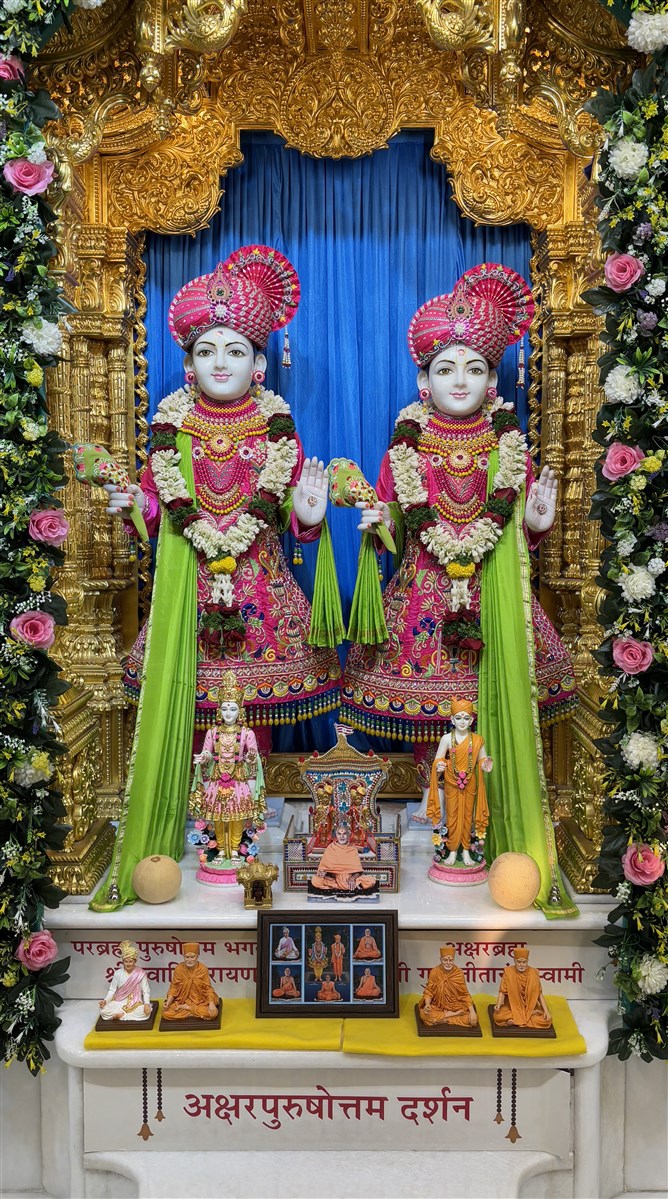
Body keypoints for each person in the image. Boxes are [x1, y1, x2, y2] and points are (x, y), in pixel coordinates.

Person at [92, 245, 341, 911]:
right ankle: (204, 828)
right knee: (201, 722)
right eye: (207, 351)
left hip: (260, 596)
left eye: (235, 350)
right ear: (188, 364)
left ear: (260, 363)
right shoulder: (171, 428)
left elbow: (289, 515)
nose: (221, 362)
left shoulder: (277, 428)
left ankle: (247, 827)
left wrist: (310, 516)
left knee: (251, 723)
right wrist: (137, 506)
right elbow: (158, 507)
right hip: (190, 597)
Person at [342, 264, 577, 918]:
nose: (460, 381)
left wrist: (534, 525)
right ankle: (445, 828)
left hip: (492, 601)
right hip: (423, 596)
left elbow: (512, 533)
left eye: (475, 368)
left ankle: (480, 829)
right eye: (446, 369)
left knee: (481, 723)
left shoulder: (508, 445)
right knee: (434, 727)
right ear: (423, 380)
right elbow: (395, 525)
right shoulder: (405, 445)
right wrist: (378, 522)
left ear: (493, 380)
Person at [190, 671, 265, 864]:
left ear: (240, 711)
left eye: (232, 709)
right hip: (218, 778)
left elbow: (253, 756)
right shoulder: (212, 732)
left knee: (236, 816)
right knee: (218, 816)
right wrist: (203, 757)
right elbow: (208, 752)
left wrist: (250, 758)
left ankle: (235, 850)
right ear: (219, 711)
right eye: (224, 709)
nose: (228, 713)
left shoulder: (246, 733)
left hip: (238, 779)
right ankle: (222, 850)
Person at [427, 698, 492, 867]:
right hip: (451, 782)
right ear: (452, 719)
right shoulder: (446, 739)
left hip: (470, 782)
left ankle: (466, 851)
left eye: (466, 718)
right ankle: (453, 850)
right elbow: (438, 759)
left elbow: (482, 759)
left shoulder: (477, 740)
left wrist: (485, 764)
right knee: (452, 816)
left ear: (471, 720)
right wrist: (440, 765)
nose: (462, 721)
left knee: (468, 817)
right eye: (458, 718)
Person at [308, 823, 379, 898]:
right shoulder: (330, 848)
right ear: (336, 835)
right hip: (334, 880)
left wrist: (352, 879)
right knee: (315, 880)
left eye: (344, 834)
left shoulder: (353, 849)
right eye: (339, 834)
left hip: (349, 881)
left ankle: (336, 888)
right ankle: (349, 887)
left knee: (371, 881)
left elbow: (358, 871)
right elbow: (324, 870)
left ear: (349, 835)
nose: (342, 836)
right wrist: (323, 873)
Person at [418, 945, 478, 1028]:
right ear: (440, 959)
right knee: (423, 1014)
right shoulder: (434, 972)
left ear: (454, 960)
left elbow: (464, 994)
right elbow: (429, 992)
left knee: (473, 1019)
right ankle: (451, 1015)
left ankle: (440, 1020)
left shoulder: (458, 973)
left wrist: (472, 1011)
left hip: (455, 1006)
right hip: (438, 1007)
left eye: (451, 960)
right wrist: (427, 1005)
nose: (448, 963)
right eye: (445, 960)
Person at [493, 948, 552, 1029]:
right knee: (498, 1016)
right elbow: (502, 991)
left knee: (545, 1020)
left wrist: (546, 1011)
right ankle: (526, 1017)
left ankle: (516, 1019)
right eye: (519, 962)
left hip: (530, 1007)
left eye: (524, 962)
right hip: (512, 1006)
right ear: (514, 961)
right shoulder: (508, 972)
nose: (521, 965)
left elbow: (539, 994)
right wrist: (498, 1005)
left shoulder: (534, 973)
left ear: (527, 961)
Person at [162, 943, 220, 1021]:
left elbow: (208, 988)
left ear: (197, 956)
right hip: (182, 1001)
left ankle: (187, 1009)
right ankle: (193, 1012)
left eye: (192, 957)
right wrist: (168, 1002)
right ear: (183, 956)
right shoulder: (179, 969)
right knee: (166, 1013)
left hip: (200, 1001)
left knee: (213, 1013)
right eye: (187, 957)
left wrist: (211, 1003)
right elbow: (174, 987)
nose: (189, 960)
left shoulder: (203, 969)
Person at [98, 941, 151, 1021]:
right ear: (123, 961)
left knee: (145, 1012)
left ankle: (121, 1015)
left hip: (135, 1003)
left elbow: (146, 991)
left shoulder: (140, 973)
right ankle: (124, 1015)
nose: (128, 964)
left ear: (135, 961)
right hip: (119, 1001)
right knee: (104, 1011)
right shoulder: (118, 973)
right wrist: (105, 1000)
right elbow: (112, 990)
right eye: (126, 961)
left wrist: (147, 1004)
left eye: (130, 961)